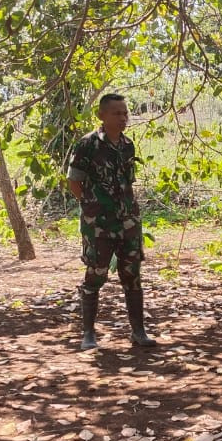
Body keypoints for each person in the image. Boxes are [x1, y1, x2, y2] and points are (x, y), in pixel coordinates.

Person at [66, 93, 156, 350]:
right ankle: (88, 334)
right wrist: (90, 205)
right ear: (101, 116)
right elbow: (74, 180)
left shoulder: (128, 145)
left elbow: (128, 181)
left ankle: (138, 332)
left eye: (125, 113)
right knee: (95, 274)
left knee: (132, 275)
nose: (123, 118)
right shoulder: (88, 144)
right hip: (98, 223)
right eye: (117, 113)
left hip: (128, 221)